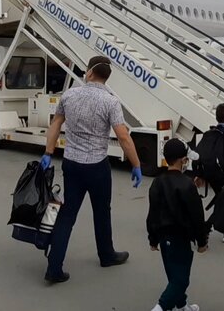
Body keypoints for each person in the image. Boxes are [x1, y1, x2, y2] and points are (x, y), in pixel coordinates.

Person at [40, 55, 143, 283]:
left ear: (88, 72)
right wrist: (136, 165)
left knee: (67, 215)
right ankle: (106, 255)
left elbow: (56, 123)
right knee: (102, 212)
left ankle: (54, 267)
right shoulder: (110, 101)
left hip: (72, 163)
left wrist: (48, 152)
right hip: (97, 166)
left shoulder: (69, 95)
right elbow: (123, 136)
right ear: (107, 77)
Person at [148, 139, 209, 311]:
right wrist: (202, 241)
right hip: (180, 238)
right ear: (183, 161)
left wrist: (152, 238)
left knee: (173, 275)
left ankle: (182, 305)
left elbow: (152, 213)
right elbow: (197, 216)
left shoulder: (157, 182)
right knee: (181, 279)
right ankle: (160, 307)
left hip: (163, 237)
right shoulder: (187, 185)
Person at [194, 103, 224, 243]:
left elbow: (198, 153)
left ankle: (222, 230)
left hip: (211, 174)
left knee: (223, 201)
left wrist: (199, 174)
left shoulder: (210, 133)